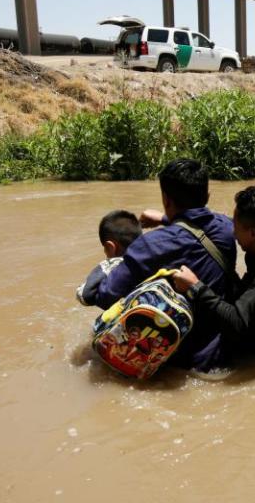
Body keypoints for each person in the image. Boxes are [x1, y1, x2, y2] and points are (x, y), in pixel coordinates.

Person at [92, 158, 237, 371]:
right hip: (226, 349)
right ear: (207, 196)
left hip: (183, 365)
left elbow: (106, 296)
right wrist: (165, 219)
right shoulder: (228, 227)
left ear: (165, 199)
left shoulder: (151, 245)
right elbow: (199, 229)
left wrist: (109, 262)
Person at [170, 185, 255, 355]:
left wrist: (196, 287)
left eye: (235, 226)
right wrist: (167, 219)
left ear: (253, 234)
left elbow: (237, 323)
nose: (233, 233)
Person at [75, 209, 142, 306]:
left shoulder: (111, 265)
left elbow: (85, 295)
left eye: (105, 248)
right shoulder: (149, 258)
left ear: (110, 247)